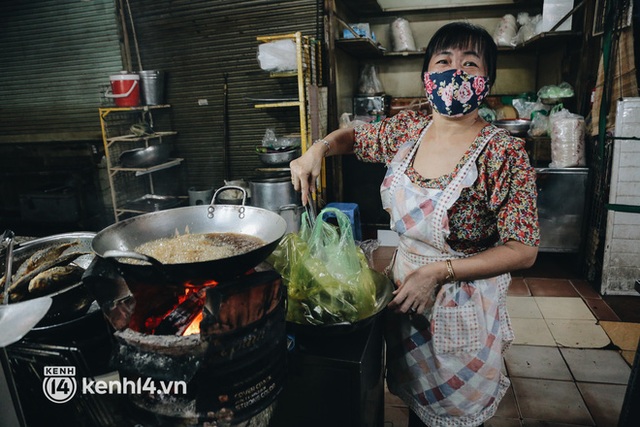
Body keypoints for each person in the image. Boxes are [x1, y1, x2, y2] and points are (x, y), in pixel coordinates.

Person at [290, 21, 539, 427]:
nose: (455, 72)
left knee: (452, 415)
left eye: (470, 64)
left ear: (486, 80)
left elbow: (524, 249)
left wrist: (439, 272)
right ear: (428, 75)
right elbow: (355, 137)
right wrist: (317, 150)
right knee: (415, 406)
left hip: (461, 302)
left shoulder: (503, 153)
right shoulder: (409, 129)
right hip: (407, 292)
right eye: (444, 60)